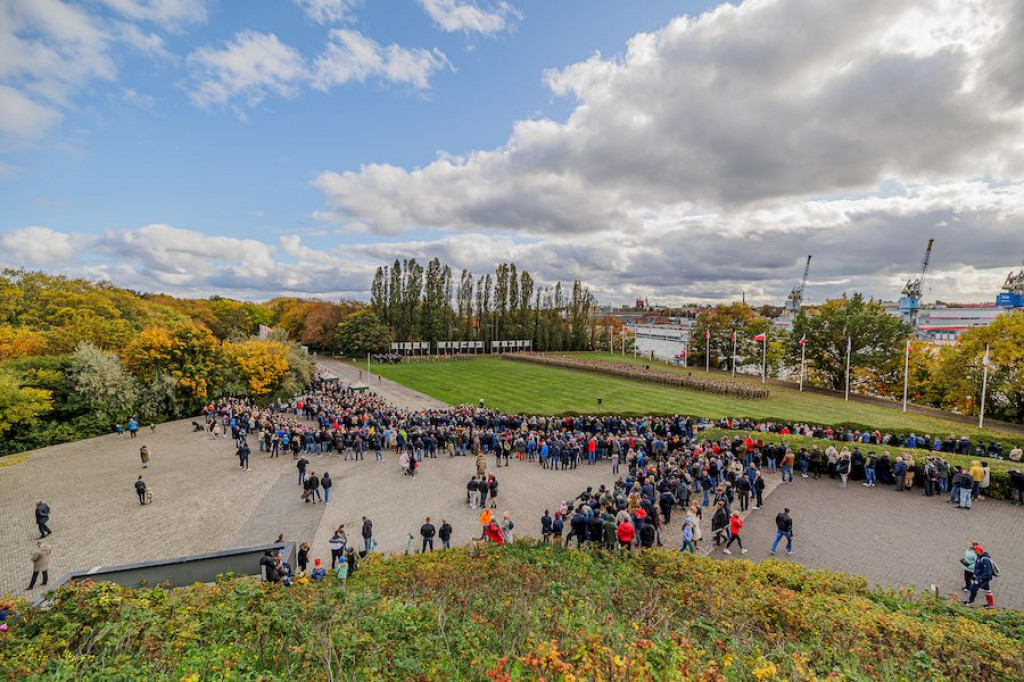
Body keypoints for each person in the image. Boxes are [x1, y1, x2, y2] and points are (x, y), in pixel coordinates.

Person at [963, 544, 997, 610]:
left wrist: (979, 579)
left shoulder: (985, 560)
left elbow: (987, 573)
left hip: (982, 579)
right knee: (987, 590)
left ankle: (970, 602)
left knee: (972, 588)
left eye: (975, 550)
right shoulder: (979, 556)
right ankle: (991, 605)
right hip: (981, 577)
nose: (974, 552)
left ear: (978, 551)